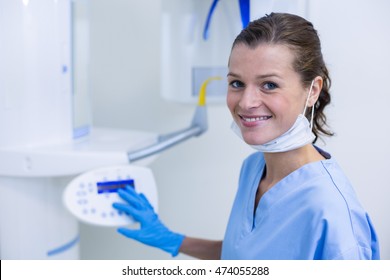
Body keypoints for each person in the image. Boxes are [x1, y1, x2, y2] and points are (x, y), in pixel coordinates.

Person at [113, 13, 380, 260]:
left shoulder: (332, 214)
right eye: (237, 83)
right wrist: (173, 240)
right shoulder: (253, 169)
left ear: (312, 91)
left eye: (269, 85)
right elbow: (244, 257)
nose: (246, 102)